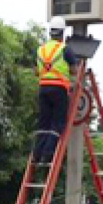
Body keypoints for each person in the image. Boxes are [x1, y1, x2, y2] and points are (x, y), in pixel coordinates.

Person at [32, 16, 79, 166]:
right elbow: (74, 70)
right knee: (58, 123)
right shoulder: (65, 49)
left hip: (43, 88)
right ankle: (47, 154)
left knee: (43, 123)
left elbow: (36, 71)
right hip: (59, 89)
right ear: (62, 33)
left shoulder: (41, 50)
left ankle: (37, 154)